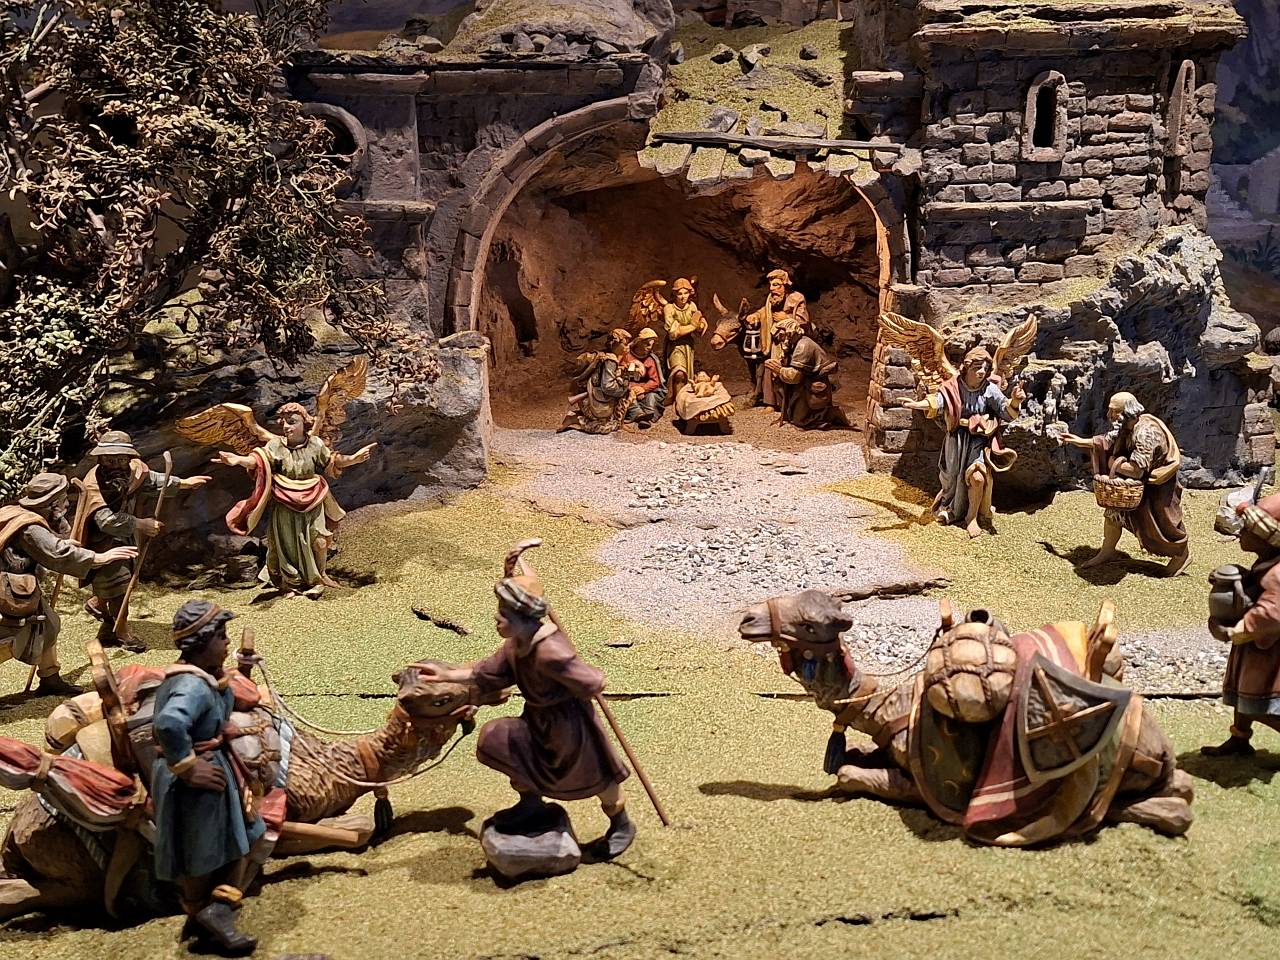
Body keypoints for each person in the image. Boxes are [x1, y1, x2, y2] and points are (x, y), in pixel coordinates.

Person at [419, 544, 634, 858]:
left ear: (523, 617)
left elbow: (593, 682)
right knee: (501, 739)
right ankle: (530, 804)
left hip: (569, 726)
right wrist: (447, 675)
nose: (497, 618)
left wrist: (580, 679)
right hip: (536, 720)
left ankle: (620, 824)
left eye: (504, 614)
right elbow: (488, 672)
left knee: (595, 775)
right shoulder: (516, 645)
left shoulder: (550, 652)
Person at [151, 599, 265, 955]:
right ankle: (206, 912)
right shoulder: (192, 686)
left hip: (214, 762)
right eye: (221, 636)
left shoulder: (206, 678)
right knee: (202, 846)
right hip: (195, 779)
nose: (227, 642)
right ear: (200, 643)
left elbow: (214, 706)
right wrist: (188, 767)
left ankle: (219, 908)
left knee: (242, 833)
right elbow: (169, 724)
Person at [216, 403, 375, 598]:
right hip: (284, 501)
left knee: (320, 542)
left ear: (304, 423)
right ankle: (292, 583)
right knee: (287, 545)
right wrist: (238, 460)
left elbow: (332, 461)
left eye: (292, 422)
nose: (286, 426)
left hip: (313, 498)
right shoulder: (275, 445)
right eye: (283, 422)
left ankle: (319, 577)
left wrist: (354, 459)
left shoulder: (315, 444)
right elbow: (258, 460)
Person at [0, 473, 138, 695]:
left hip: (18, 586)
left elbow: (47, 544)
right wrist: (98, 557)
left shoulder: (15, 512)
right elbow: (57, 553)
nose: (66, 504)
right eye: (63, 499)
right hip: (9, 591)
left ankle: (50, 678)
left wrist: (62, 541)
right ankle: (49, 677)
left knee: (49, 624)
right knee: (12, 637)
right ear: (52, 503)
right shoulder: (29, 527)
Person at [76, 431, 209, 651]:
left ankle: (104, 620)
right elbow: (106, 520)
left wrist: (184, 483)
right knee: (119, 588)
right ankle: (122, 632)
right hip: (104, 543)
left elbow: (153, 480)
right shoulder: (94, 484)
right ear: (100, 459)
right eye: (109, 460)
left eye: (120, 460)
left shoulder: (133, 471)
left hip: (125, 538)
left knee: (119, 583)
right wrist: (140, 524)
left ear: (129, 458)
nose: (115, 465)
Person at [1058, 391, 1190, 576]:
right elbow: (1107, 441)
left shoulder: (1145, 432)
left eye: (1114, 411)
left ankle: (1181, 555)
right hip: (1131, 488)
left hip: (1156, 488)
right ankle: (1107, 551)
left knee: (1164, 525)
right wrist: (1081, 442)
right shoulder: (1125, 425)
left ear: (1127, 412)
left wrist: (1114, 463)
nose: (1109, 415)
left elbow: (1136, 470)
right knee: (1113, 514)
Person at [901, 347, 1025, 538]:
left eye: (985, 368)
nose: (982, 372)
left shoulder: (989, 389)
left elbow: (1006, 412)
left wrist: (1015, 401)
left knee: (978, 478)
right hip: (956, 442)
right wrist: (916, 404)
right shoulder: (953, 387)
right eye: (977, 367)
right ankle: (951, 508)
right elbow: (938, 401)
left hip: (978, 442)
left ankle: (972, 517)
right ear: (966, 367)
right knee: (952, 481)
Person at [1201, 492, 1280, 757]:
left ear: (1267, 537)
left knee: (1261, 701)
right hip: (1255, 650)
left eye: (1247, 530)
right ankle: (1239, 739)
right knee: (1242, 692)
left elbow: (1272, 612)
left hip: (1270, 652)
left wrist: (1239, 629)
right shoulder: (1266, 564)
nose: (1240, 534)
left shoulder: (1277, 574)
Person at [713, 268, 808, 409]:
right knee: (769, 369)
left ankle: (788, 404)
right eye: (771, 285)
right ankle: (770, 403)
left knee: (788, 371)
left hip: (792, 341)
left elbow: (803, 320)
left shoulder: (796, 299)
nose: (772, 289)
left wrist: (786, 318)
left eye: (776, 285)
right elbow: (765, 311)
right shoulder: (772, 299)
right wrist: (756, 315)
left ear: (785, 285)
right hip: (774, 341)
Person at [766, 318, 843, 430]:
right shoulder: (792, 344)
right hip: (801, 383)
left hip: (810, 386)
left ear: (790, 333)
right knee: (779, 384)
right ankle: (790, 415)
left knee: (800, 420)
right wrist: (781, 364)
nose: (779, 339)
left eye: (781, 336)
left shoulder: (803, 346)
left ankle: (829, 414)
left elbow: (795, 376)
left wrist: (779, 369)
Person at [560, 329, 637, 435]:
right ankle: (576, 419)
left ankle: (618, 422)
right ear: (615, 343)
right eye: (625, 344)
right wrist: (624, 383)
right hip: (599, 397)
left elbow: (605, 375)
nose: (627, 347)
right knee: (604, 427)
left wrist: (621, 372)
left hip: (597, 393)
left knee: (627, 395)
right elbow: (608, 386)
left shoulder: (606, 355)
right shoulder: (611, 360)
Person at [662, 278, 706, 401]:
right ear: (675, 294)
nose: (683, 297)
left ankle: (685, 400)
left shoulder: (691, 306)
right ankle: (678, 401)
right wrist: (692, 326)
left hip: (688, 345)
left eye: (685, 293)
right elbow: (673, 333)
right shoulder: (669, 308)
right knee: (679, 374)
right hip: (674, 346)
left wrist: (701, 324)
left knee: (687, 376)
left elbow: (699, 324)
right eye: (680, 294)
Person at [621, 327, 666, 427]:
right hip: (628, 387)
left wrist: (643, 389)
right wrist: (632, 388)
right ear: (639, 343)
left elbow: (655, 380)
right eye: (647, 344)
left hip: (647, 389)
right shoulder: (627, 356)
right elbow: (621, 374)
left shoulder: (651, 359)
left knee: (651, 398)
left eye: (651, 345)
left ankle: (646, 416)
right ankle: (638, 413)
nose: (649, 347)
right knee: (628, 397)